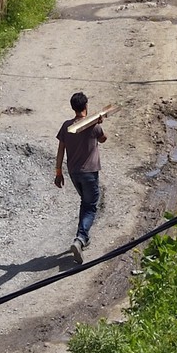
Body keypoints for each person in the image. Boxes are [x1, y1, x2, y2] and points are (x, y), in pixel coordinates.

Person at [54, 90, 106, 261]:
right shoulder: (93, 125)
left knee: (85, 203)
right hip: (90, 172)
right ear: (86, 106)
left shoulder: (66, 127)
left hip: (73, 173)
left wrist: (58, 172)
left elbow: (61, 149)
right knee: (91, 206)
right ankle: (80, 239)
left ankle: (83, 238)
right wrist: (99, 123)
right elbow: (103, 138)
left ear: (73, 108)